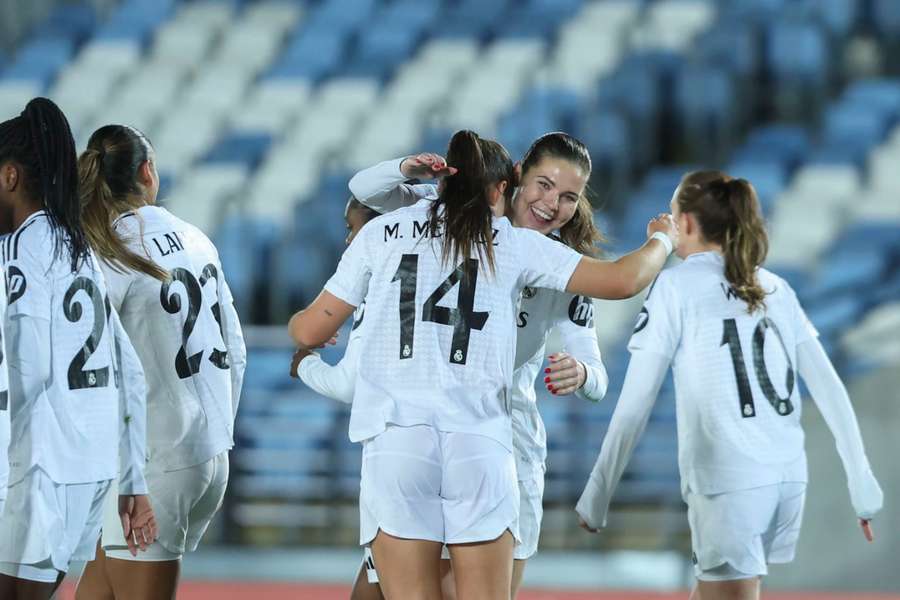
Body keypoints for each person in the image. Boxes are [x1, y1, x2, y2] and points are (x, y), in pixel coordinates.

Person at [288, 130, 677, 600]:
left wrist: (584, 372)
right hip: (480, 437)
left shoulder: (534, 255)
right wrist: (662, 240)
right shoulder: (511, 241)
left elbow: (595, 370)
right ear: (513, 180)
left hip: (475, 435)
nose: (552, 204)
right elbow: (625, 279)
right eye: (544, 185)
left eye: (569, 197)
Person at [575, 171, 884, 600]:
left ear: (684, 223)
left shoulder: (676, 286)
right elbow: (830, 389)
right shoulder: (776, 287)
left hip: (730, 480)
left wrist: (597, 492)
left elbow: (635, 404)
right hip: (786, 478)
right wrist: (861, 480)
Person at [73, 124, 247, 600]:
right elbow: (236, 347)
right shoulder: (196, 237)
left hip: (150, 462)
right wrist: (213, 435)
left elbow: (84, 367)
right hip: (202, 449)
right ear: (147, 171)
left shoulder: (104, 252)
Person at [0, 98, 156, 600]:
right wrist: (131, 478)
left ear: (9, 177)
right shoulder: (79, 248)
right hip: (88, 469)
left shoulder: (24, 249)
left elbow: (30, 368)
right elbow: (129, 372)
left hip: (35, 469)